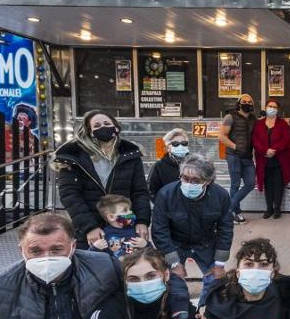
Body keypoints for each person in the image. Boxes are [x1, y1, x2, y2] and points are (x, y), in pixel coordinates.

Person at [55, 111, 151, 250]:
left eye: (107, 123)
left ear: (116, 128)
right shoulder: (72, 156)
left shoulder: (129, 154)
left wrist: (142, 221)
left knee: (127, 265)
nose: (103, 127)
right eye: (97, 125)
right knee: (94, 266)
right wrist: (89, 227)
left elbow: (140, 192)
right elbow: (70, 195)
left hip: (124, 227)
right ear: (90, 131)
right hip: (89, 230)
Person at [152, 154, 234, 307]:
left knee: (215, 281)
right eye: (184, 178)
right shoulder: (166, 194)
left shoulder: (221, 196)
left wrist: (220, 263)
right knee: (174, 281)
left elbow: (226, 228)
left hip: (206, 243)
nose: (189, 183)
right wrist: (174, 263)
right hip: (175, 243)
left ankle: (205, 311)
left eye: (195, 180)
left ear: (208, 181)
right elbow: (159, 230)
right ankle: (180, 312)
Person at [218, 93, 258, 224]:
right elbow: (222, 136)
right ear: (239, 103)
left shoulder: (253, 118)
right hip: (234, 156)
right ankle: (236, 212)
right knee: (235, 184)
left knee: (251, 183)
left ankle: (230, 208)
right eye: (244, 101)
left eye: (250, 101)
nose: (247, 103)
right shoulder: (230, 117)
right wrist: (235, 146)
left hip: (247, 157)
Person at [252, 98, 290, 219]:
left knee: (278, 185)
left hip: (279, 160)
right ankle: (268, 208)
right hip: (263, 160)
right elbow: (255, 140)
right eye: (270, 106)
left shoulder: (282, 124)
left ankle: (277, 209)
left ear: (278, 110)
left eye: (275, 107)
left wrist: (274, 150)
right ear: (265, 108)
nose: (272, 109)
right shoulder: (259, 124)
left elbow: (286, 139)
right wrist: (265, 150)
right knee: (268, 185)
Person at [90, 194, 147, 261]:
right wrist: (95, 248)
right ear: (111, 217)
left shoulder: (136, 231)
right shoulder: (104, 235)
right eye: (125, 210)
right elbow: (92, 259)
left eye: (130, 210)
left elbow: (151, 253)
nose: (130, 212)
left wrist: (145, 244)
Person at [149, 129, 190, 197]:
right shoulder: (159, 166)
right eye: (175, 144)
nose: (181, 146)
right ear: (168, 146)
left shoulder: (194, 164)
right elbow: (151, 191)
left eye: (184, 143)